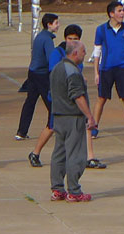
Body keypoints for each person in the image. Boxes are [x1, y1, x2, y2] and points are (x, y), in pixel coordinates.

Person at [31, 25, 104, 169]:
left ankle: (90, 157)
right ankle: (35, 152)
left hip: (75, 94)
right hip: (60, 97)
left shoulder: (78, 54)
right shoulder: (57, 53)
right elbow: (55, 73)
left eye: (75, 39)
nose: (72, 41)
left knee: (87, 124)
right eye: (69, 38)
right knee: (52, 127)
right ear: (65, 39)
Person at [49, 37, 97, 202]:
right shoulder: (73, 71)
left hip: (58, 117)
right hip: (72, 118)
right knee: (76, 154)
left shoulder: (57, 68)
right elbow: (77, 96)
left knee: (59, 153)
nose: (85, 54)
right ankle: (74, 191)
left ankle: (57, 189)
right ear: (75, 53)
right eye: (83, 51)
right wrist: (89, 116)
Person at [92, 0, 124, 140]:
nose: (122, 13)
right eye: (119, 11)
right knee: (101, 98)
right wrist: (96, 72)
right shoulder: (101, 30)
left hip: (122, 69)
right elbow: (97, 52)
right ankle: (94, 127)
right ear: (111, 14)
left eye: (123, 10)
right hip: (106, 69)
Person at [17, 13, 60, 140]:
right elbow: (51, 59)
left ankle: (21, 131)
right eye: (56, 23)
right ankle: (52, 126)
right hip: (41, 74)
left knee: (30, 101)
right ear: (49, 24)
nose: (58, 25)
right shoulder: (47, 39)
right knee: (51, 101)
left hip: (32, 72)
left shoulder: (40, 36)